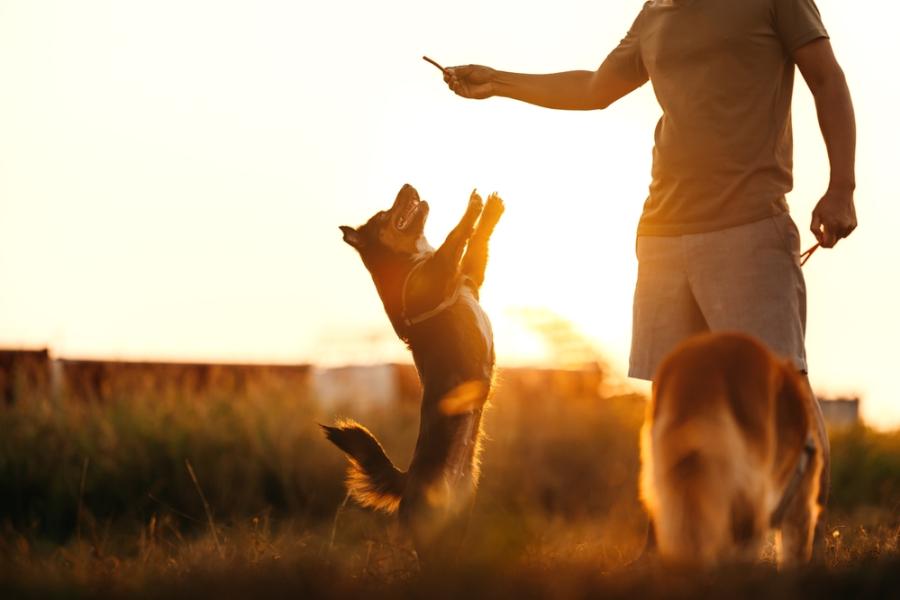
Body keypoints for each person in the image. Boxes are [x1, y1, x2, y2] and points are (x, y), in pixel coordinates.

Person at [440, 0, 856, 558]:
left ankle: (809, 555)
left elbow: (827, 79)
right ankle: (662, 551)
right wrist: (499, 81)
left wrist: (843, 187)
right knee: (671, 396)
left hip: (750, 225)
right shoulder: (657, 9)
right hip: (662, 231)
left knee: (784, 386)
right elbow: (594, 87)